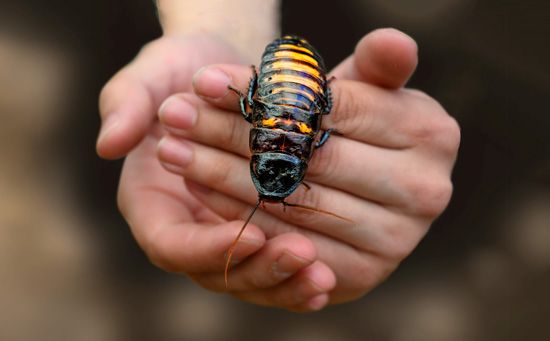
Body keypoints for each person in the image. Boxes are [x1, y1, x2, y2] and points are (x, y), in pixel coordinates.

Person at [96, 0, 460, 312]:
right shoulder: (271, 139)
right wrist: (224, 32)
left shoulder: (302, 148)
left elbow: (307, 127)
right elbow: (264, 111)